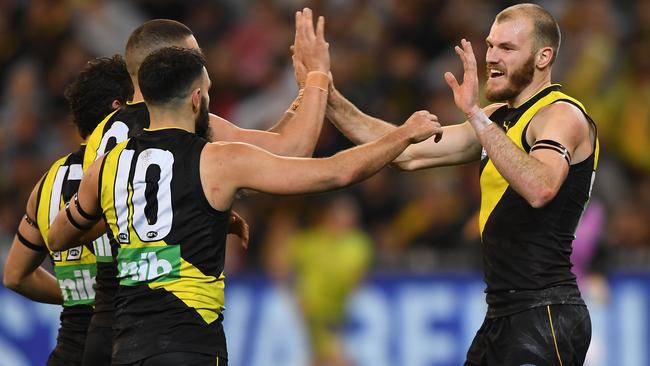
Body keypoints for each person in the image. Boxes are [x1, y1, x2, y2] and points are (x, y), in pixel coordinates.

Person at [47, 44, 439, 365]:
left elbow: (59, 237)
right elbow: (332, 173)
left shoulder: (106, 166)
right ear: (197, 99)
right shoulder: (218, 159)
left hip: (126, 347)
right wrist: (402, 135)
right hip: (190, 345)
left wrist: (145, 222)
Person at [322, 3, 597, 365]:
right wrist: (324, 93)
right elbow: (407, 154)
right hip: (504, 314)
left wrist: (474, 115)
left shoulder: (562, 114)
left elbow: (541, 186)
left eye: (507, 48)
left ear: (544, 56)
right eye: (491, 45)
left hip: (545, 313)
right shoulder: (500, 119)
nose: (492, 58)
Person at [75, 10, 326, 366]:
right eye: (193, 59)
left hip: (105, 320)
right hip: (171, 319)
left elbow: (96, 214)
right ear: (164, 65)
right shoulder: (174, 121)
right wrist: (317, 78)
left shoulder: (102, 130)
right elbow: (293, 149)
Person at [2, 55, 134, 366]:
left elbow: (15, 276)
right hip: (125, 344)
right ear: (119, 109)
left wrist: (75, 293)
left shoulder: (47, 183)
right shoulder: (133, 170)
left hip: (69, 350)